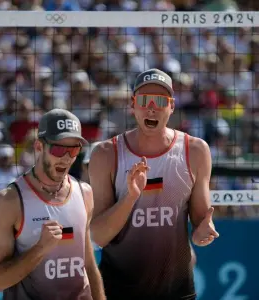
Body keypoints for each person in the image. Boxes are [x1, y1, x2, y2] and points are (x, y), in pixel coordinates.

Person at [89, 68, 219, 300]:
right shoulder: (105, 154)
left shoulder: (195, 150)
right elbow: (98, 237)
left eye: (160, 101)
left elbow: (200, 222)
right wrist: (130, 197)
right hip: (118, 290)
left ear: (172, 106)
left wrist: (203, 233)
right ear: (133, 104)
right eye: (144, 100)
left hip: (176, 290)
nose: (152, 107)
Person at [0, 109, 106, 300]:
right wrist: (40, 248)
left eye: (74, 149)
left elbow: (88, 263)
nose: (66, 157)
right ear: (39, 147)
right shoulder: (8, 202)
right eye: (58, 149)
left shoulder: (85, 193)